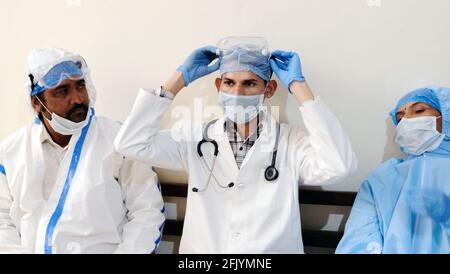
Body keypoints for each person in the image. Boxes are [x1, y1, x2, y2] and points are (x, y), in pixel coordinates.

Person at [114, 37, 357, 253]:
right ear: (219, 87)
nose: (238, 92)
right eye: (229, 83)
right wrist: (177, 81)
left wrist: (298, 87)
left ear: (269, 89)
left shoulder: (291, 142)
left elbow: (340, 166)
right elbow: (130, 143)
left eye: (250, 83)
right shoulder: (194, 137)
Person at [0, 48, 165, 254]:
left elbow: (146, 213)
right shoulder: (11, 151)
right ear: (37, 103)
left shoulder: (119, 141)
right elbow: (2, 220)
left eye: (81, 86)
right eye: (62, 91)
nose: (78, 99)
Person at [336, 87, 450, 254]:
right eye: (400, 118)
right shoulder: (381, 179)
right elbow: (358, 239)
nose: (407, 121)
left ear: (445, 116)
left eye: (418, 110)